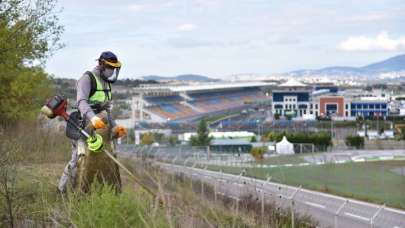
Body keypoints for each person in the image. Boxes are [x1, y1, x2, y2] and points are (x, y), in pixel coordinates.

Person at [57, 51, 127, 193]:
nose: (112, 71)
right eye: (110, 67)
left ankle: (102, 192)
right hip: (85, 125)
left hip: (103, 126)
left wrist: (116, 127)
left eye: (114, 68)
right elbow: (81, 102)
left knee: (108, 160)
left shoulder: (107, 83)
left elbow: (106, 110)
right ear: (101, 64)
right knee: (77, 160)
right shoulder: (87, 78)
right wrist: (93, 118)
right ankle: (61, 190)